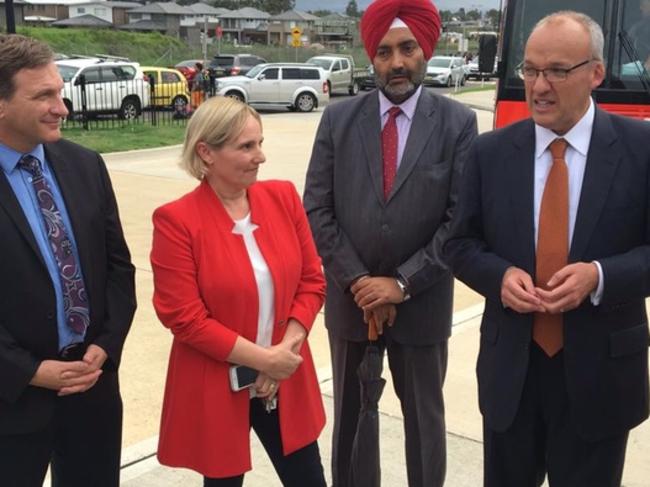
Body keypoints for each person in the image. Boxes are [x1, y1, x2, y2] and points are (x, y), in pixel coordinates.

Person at [445, 11, 650, 487]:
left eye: (557, 70)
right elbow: (458, 244)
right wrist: (498, 277)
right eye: (531, 70)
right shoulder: (490, 153)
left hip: (600, 376)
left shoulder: (641, 151)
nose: (539, 86)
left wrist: (599, 276)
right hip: (511, 374)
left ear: (595, 73)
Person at [303, 0, 478, 485]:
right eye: (383, 51)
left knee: (425, 425)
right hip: (350, 305)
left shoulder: (456, 123)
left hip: (421, 307)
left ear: (426, 48)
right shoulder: (338, 121)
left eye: (406, 48)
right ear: (371, 57)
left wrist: (401, 284)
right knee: (351, 426)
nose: (396, 62)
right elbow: (317, 209)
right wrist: (360, 282)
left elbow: (458, 220)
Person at [150, 96, 327, 487]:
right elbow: (185, 318)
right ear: (206, 153)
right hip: (218, 383)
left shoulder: (282, 198)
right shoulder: (176, 221)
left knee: (308, 478)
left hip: (285, 375)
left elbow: (312, 282)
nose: (260, 156)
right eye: (246, 146)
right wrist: (264, 360)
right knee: (224, 481)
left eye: (260, 143)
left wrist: (285, 354)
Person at [0, 34, 136, 486]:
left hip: (91, 388)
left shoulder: (85, 165)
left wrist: (105, 346)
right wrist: (29, 371)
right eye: (43, 95)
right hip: (12, 401)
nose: (63, 107)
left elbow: (119, 268)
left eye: (59, 91)